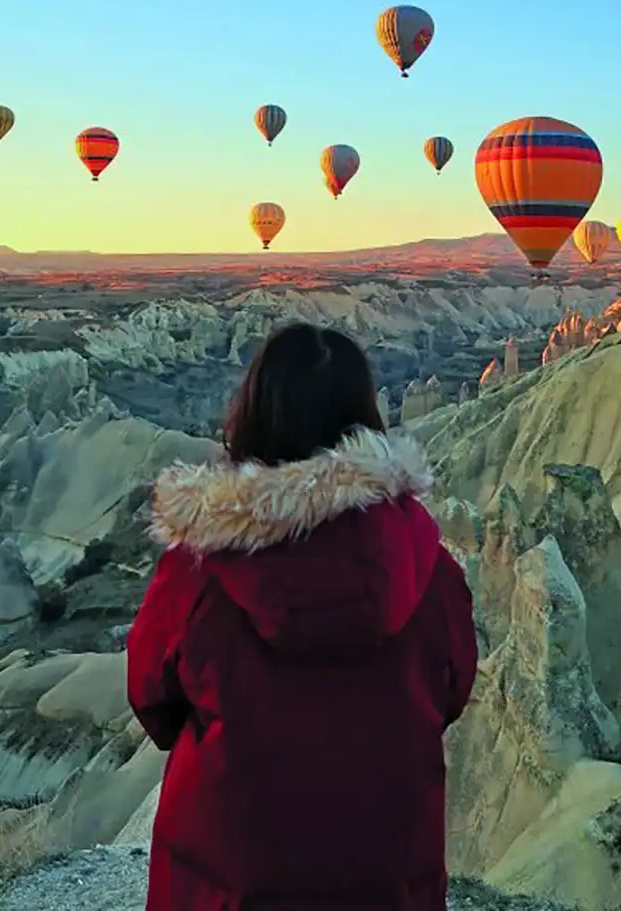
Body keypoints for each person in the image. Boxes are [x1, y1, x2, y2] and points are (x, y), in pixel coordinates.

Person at [127, 322, 479, 911]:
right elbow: (451, 690)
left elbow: (151, 698)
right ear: (367, 421)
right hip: (386, 877)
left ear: (252, 416)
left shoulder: (199, 568)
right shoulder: (429, 566)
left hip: (227, 881)